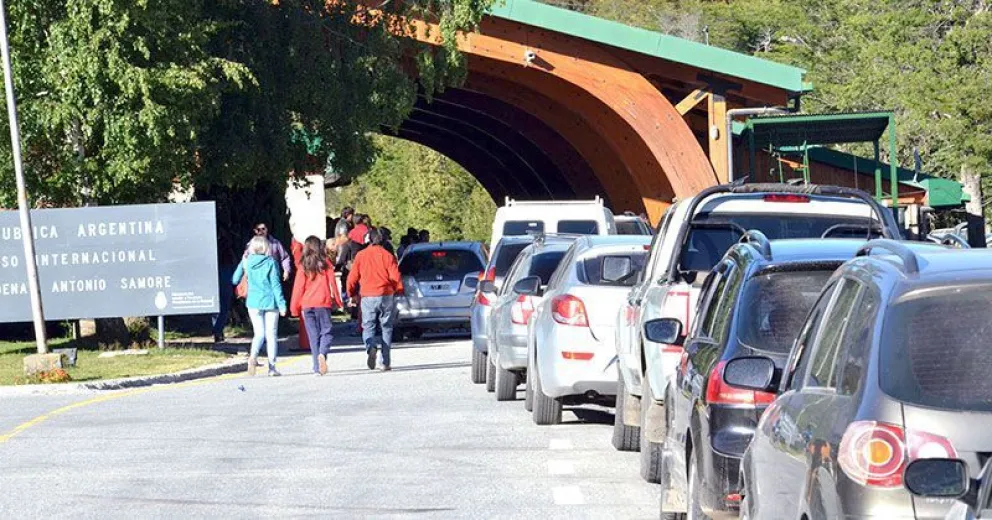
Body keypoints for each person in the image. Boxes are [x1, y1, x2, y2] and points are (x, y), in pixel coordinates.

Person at [346, 228, 404, 371]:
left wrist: (351, 293)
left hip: (367, 295)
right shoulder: (388, 256)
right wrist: (399, 290)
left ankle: (370, 346)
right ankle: (385, 361)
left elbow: (352, 278)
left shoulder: (361, 256)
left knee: (368, 326)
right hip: (385, 294)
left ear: (369, 240)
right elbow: (395, 277)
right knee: (386, 327)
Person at [233, 236, 288, 377]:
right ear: (265, 247)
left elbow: (234, 279)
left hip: (253, 302)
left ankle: (253, 356)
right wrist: (282, 305)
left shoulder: (246, 261)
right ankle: (272, 367)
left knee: (259, 333)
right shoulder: (271, 262)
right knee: (271, 335)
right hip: (270, 302)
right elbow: (276, 285)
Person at [291, 236, 344, 376]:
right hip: (323, 302)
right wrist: (338, 301)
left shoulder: (303, 266)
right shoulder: (325, 264)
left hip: (307, 304)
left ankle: (316, 367)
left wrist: (294, 307)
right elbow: (332, 283)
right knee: (327, 331)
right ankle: (322, 354)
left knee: (313, 336)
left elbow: (298, 288)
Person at [213, 235, 236, 343]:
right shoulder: (229, 255)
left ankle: (217, 330)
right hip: (226, 279)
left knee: (214, 307)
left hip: (215, 277)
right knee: (224, 307)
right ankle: (218, 331)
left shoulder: (212, 255)